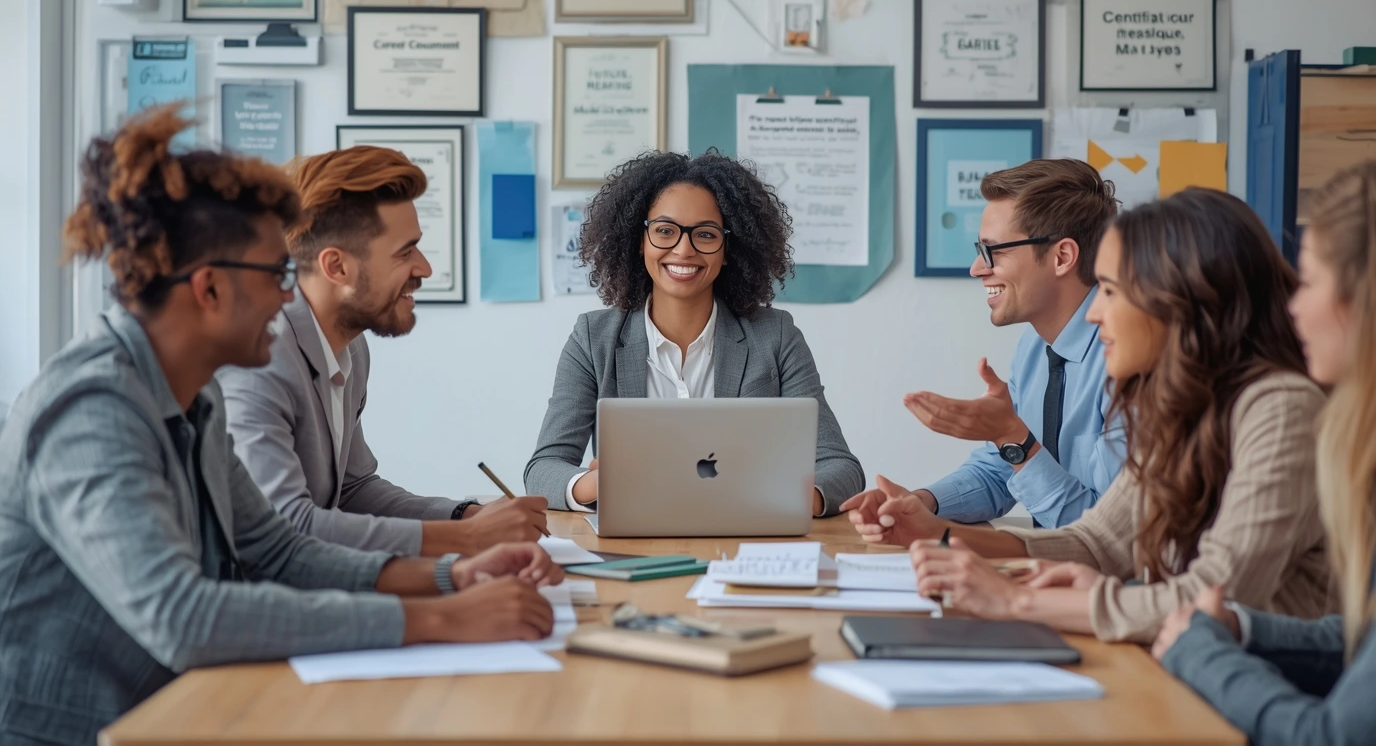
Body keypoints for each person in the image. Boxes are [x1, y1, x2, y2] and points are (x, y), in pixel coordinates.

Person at [0, 106, 563, 746]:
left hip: (175, 708)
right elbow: (183, 616)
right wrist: (440, 620)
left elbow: (277, 551)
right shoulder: (91, 412)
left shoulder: (191, 400)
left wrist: (451, 578)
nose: (286, 297)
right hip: (80, 731)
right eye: (274, 276)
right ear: (209, 290)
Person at [899, 188, 1333, 643]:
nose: (1094, 313)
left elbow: (1214, 597)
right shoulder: (1187, 405)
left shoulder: (1281, 408)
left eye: (1110, 290)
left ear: (1178, 299)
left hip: (1261, 688)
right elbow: (1098, 542)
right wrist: (940, 535)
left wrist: (1017, 601)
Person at [217, 146, 548, 557]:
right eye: (405, 251)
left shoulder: (351, 347)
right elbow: (287, 525)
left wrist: (466, 516)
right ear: (336, 267)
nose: (425, 268)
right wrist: (464, 540)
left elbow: (353, 490)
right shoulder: (259, 361)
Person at [1151, 162, 1376, 744]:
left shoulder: (1285, 407)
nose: (1294, 304)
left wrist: (1203, 650)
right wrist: (1240, 629)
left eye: (1309, 280)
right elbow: (1359, 641)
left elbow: (1331, 737)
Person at [523, 150, 864, 517]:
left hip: (748, 539)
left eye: (705, 234)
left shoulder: (776, 336)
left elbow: (841, 467)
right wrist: (597, 483)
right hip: (634, 543)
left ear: (728, 249)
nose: (683, 250)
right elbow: (543, 468)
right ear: (640, 241)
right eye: (665, 231)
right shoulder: (593, 338)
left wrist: (793, 496)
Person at [843, 159, 1124, 530]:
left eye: (994, 250)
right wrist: (921, 503)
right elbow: (1002, 470)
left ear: (1062, 257)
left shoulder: (1127, 360)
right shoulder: (1033, 349)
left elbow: (1106, 536)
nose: (977, 268)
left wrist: (1013, 437)